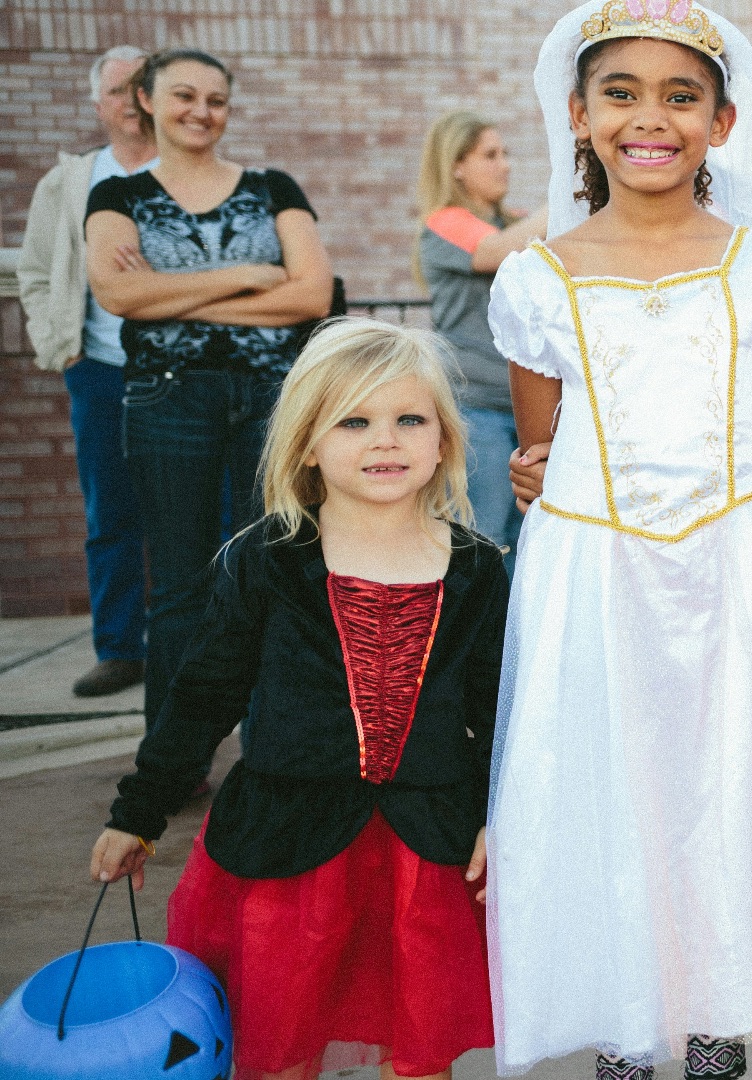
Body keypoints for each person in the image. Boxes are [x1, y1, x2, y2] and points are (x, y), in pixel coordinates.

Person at [483, 4, 752, 1077]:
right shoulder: (539, 281)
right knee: (610, 792)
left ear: (723, 123)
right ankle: (630, 1033)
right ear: (579, 117)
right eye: (621, 94)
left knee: (731, 787)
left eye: (681, 96)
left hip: (736, 570)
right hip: (595, 577)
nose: (652, 118)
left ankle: (721, 1023)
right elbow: (543, 450)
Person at [88, 318, 504, 1080]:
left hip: (426, 851)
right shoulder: (267, 560)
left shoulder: (477, 569)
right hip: (287, 847)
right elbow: (204, 694)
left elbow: (497, 710)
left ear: (443, 439)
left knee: (419, 1052)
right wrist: (137, 813)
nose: (386, 440)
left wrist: (495, 816)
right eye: (355, 421)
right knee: (279, 1044)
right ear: (308, 442)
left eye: (410, 419)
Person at [85, 48, 334, 756]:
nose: (201, 111)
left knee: (271, 571)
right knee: (181, 586)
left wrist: (174, 296)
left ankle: (271, 747)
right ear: (147, 101)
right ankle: (174, 754)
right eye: (184, 95)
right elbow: (118, 294)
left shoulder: (272, 185)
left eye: (216, 99)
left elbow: (311, 295)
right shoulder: (117, 197)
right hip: (167, 402)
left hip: (269, 400)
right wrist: (252, 277)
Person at [19, 45, 157, 698]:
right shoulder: (71, 180)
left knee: (205, 514)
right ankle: (120, 649)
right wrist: (62, 349)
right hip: (99, 372)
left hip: (181, 375)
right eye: (120, 89)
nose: (134, 99)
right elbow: (37, 271)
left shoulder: (184, 171)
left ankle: (205, 648)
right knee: (110, 514)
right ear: (98, 105)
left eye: (144, 85)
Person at [415, 110, 547, 567]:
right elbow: (494, 251)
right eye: (490, 155)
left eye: (505, 153)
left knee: (532, 542)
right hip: (476, 409)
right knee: (482, 541)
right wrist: (566, 202)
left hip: (532, 408)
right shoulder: (446, 222)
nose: (505, 164)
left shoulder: (519, 220)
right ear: (456, 165)